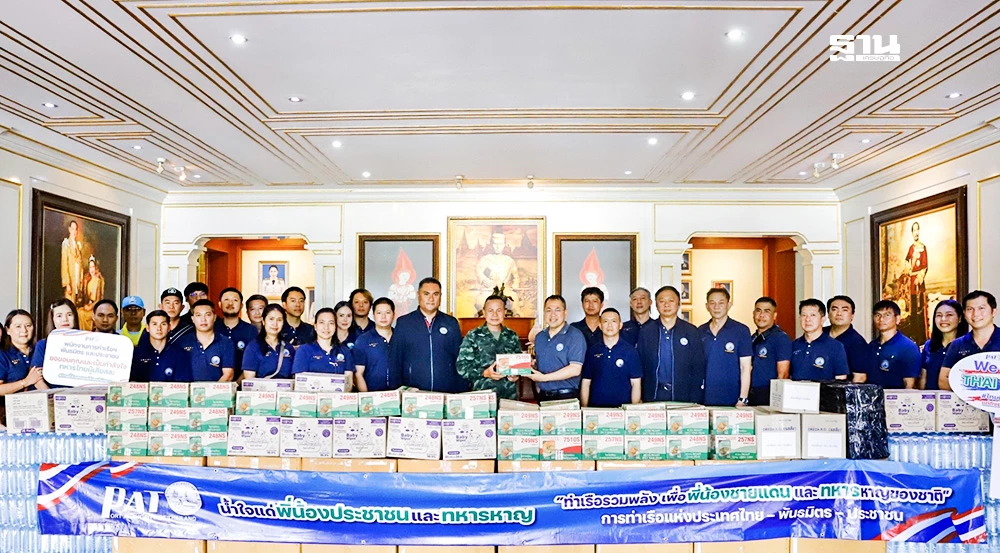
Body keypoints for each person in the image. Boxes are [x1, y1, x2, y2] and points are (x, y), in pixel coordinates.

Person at [390, 278, 468, 393]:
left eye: (435, 294)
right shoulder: (404, 323)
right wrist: (398, 390)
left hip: (446, 391)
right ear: (418, 295)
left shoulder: (451, 323)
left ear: (440, 296)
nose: (431, 299)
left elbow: (460, 359)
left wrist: (461, 390)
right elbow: (395, 360)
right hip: (414, 393)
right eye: (426, 294)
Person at [637, 286, 706, 404]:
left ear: (678, 304)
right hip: (652, 395)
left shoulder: (691, 331)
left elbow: (698, 367)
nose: (666, 305)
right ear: (656, 305)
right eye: (662, 301)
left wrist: (695, 398)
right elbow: (640, 365)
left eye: (671, 301)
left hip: (683, 396)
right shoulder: (646, 331)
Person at [456, 294, 522, 400]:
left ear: (505, 312)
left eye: (499, 310)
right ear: (484, 312)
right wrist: (484, 373)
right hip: (482, 396)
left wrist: (515, 375)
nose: (495, 314)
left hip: (509, 396)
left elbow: (519, 364)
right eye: (490, 310)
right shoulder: (473, 336)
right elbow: (461, 367)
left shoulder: (512, 336)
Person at [523, 295, 586, 401]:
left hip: (566, 396)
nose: (553, 314)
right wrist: (530, 364)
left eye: (557, 310)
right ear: (544, 313)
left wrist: (544, 378)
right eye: (548, 310)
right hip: (543, 395)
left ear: (565, 313)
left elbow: (575, 369)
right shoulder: (540, 337)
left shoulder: (575, 335)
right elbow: (542, 364)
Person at [699, 287, 753, 407]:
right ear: (707, 306)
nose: (716, 307)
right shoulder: (700, 331)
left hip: (732, 398)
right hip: (704, 398)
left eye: (721, 303)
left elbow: (745, 367)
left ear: (729, 305)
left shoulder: (741, 331)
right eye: (712, 303)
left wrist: (743, 398)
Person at [580, 308, 642, 408]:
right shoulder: (592, 351)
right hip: (596, 410)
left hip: (622, 410)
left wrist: (633, 410)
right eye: (605, 321)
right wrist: (584, 409)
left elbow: (636, 384)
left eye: (613, 321)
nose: (609, 325)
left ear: (620, 325)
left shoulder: (631, 351)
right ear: (600, 326)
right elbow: (586, 382)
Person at [940, 290, 1000, 390]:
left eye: (981, 308)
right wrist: (967, 392)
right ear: (964, 314)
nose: (975, 314)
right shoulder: (957, 345)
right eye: (970, 309)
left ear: (993, 312)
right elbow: (943, 380)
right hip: (964, 399)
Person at [292, 307, 355, 391]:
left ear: (335, 326)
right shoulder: (304, 350)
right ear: (315, 326)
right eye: (322, 323)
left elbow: (348, 384)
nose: (326, 327)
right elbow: (300, 383)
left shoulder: (345, 351)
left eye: (331, 323)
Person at [175, 299, 234, 382]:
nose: (203, 319)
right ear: (193, 319)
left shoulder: (226, 343)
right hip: (188, 389)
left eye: (208, 315)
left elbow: (228, 375)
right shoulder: (182, 342)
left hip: (216, 389)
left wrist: (211, 390)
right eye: (198, 315)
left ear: (214, 317)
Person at [790, 299, 849, 381]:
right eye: (804, 315)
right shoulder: (793, 345)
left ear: (822, 319)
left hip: (823, 389)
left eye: (813, 315)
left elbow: (841, 379)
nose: (807, 319)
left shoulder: (836, 346)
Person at [748, 297, 792, 406]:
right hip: (750, 395)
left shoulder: (780, 338)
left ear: (774, 315)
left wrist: (776, 401)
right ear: (753, 314)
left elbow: (783, 374)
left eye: (767, 311)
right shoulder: (752, 338)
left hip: (768, 396)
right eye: (758, 311)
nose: (761, 315)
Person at [868, 300, 921, 389]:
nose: (881, 319)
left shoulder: (908, 347)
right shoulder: (872, 346)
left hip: (896, 396)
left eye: (887, 315)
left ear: (897, 319)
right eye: (878, 315)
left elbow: (909, 385)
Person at [131, 310, 191, 382]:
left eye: (163, 324)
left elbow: (183, 385)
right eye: (154, 324)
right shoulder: (136, 354)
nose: (159, 328)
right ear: (147, 328)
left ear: (169, 327)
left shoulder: (180, 354)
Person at [825, 296, 875, 383]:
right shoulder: (819, 334)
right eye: (834, 309)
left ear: (852, 315)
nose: (839, 313)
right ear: (828, 314)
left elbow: (860, 378)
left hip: (840, 389)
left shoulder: (858, 343)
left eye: (844, 310)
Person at [354, 298, 400, 392]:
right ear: (373, 315)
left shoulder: (401, 338)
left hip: (399, 395)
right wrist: (366, 397)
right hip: (372, 395)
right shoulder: (363, 340)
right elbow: (358, 374)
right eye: (379, 313)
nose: (383, 317)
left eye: (387, 313)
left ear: (394, 315)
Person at [920, 299, 967, 390]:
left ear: (960, 318)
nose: (943, 319)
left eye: (949, 315)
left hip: (956, 397)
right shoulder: (929, 345)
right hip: (930, 397)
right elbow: (923, 378)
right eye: (939, 315)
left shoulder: (967, 345)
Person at [241, 304, 295, 380]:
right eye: (271, 319)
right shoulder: (253, 347)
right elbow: (249, 380)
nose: (275, 324)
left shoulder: (288, 347)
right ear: (263, 321)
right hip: (261, 387)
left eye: (279, 320)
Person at [214, 287, 258, 380]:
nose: (230, 303)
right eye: (226, 299)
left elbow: (253, 361)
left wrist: (238, 384)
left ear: (241, 305)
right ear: (220, 304)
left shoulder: (251, 330)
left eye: (235, 300)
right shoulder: (212, 328)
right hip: (216, 383)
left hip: (243, 382)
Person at [474, 230, 521, 315]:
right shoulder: (485, 259)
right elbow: (478, 272)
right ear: (491, 245)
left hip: (506, 290)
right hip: (489, 290)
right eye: (495, 244)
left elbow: (516, 276)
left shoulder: (509, 260)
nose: (498, 247)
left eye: (500, 244)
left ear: (504, 245)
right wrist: (484, 280)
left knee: (515, 304)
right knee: (479, 302)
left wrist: (515, 285)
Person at [1, 310, 45, 395]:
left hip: (44, 400)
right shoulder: (3, 355)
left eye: (28, 326)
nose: (24, 330)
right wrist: (25, 382)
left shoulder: (40, 349)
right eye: (18, 326)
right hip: (14, 402)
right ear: (7, 330)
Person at [31, 299, 79, 374]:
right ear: (52, 319)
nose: (65, 319)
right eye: (59, 316)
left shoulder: (85, 343)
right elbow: (37, 375)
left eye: (69, 315)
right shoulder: (42, 345)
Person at [906, 221, 929, 343]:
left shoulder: (923, 247)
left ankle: (922, 337)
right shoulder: (911, 248)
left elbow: (925, 265)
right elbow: (907, 261)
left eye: (917, 230)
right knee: (913, 309)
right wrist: (908, 269)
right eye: (914, 230)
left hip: (919, 283)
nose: (916, 232)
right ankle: (913, 336)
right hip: (911, 282)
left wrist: (919, 278)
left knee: (920, 307)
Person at [78, 256, 105, 330]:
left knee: (83, 314)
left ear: (96, 267)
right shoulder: (88, 280)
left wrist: (90, 307)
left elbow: (98, 300)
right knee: (79, 311)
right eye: (90, 267)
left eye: (93, 267)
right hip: (88, 306)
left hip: (95, 307)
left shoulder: (98, 281)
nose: (92, 269)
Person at [61, 219, 84, 304]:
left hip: (77, 280)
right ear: (69, 229)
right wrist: (67, 284)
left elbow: (80, 265)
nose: (75, 231)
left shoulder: (78, 245)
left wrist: (81, 280)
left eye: (76, 229)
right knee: (70, 303)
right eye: (73, 229)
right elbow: (64, 265)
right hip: (70, 280)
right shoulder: (66, 244)